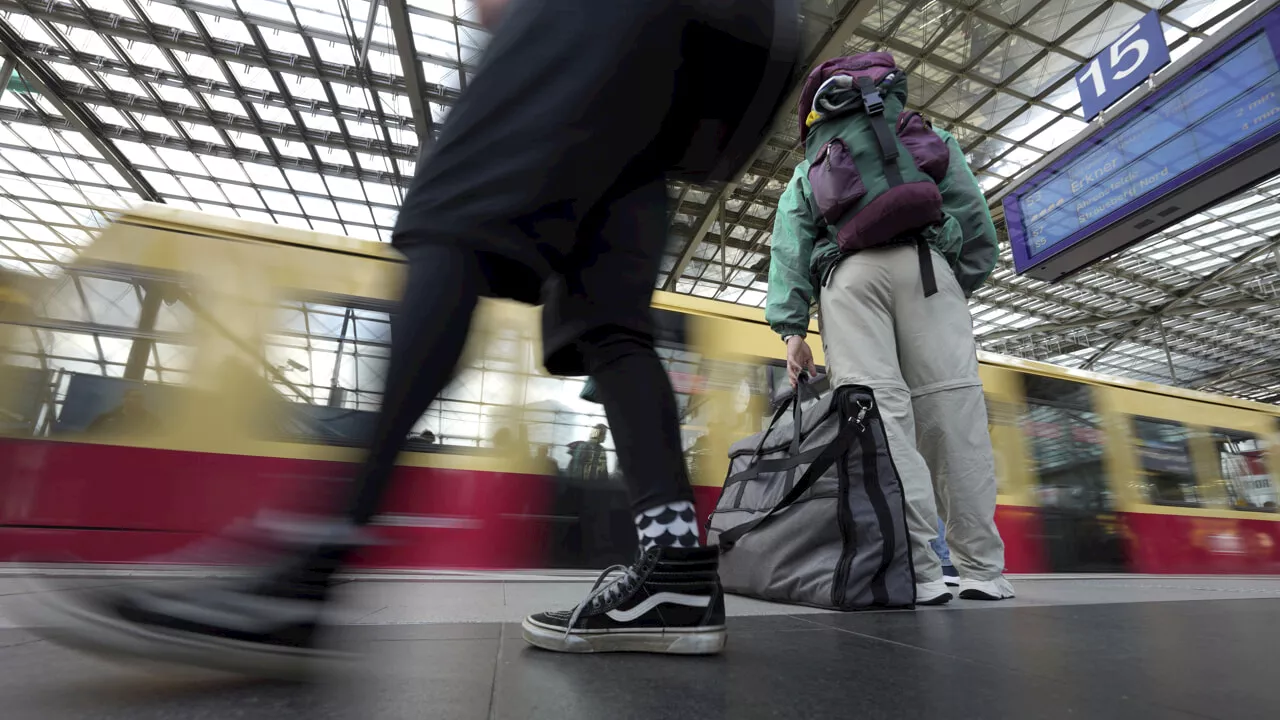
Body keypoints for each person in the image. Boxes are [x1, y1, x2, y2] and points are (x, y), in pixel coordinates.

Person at [19, 0, 800, 674]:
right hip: (700, 54)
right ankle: (673, 569)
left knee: (452, 213)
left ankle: (310, 564)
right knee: (609, 321)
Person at [765, 55, 1014, 606]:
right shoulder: (923, 137)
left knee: (883, 423)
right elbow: (972, 216)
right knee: (952, 412)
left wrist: (791, 330)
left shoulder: (811, 167)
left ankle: (921, 573)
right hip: (926, 268)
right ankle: (981, 571)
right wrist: (952, 284)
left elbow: (789, 250)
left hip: (848, 280)